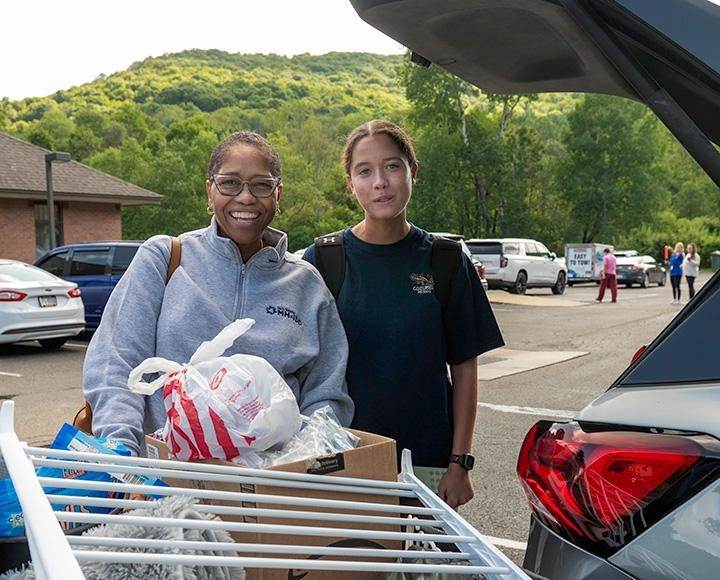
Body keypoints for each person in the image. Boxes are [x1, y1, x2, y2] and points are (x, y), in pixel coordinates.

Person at [83, 131, 354, 456]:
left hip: (273, 488)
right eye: (229, 183)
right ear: (210, 191)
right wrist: (124, 460)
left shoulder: (307, 286)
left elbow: (327, 395)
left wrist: (299, 465)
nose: (245, 198)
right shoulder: (165, 259)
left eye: (261, 185)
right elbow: (116, 363)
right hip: (165, 477)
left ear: (277, 194)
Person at [303, 120, 504, 509]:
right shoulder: (323, 260)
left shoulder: (445, 260)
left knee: (430, 569)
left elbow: (465, 369)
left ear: (413, 171)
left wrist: (459, 463)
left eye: (392, 166)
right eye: (365, 171)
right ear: (351, 183)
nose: (380, 182)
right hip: (344, 461)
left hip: (428, 466)